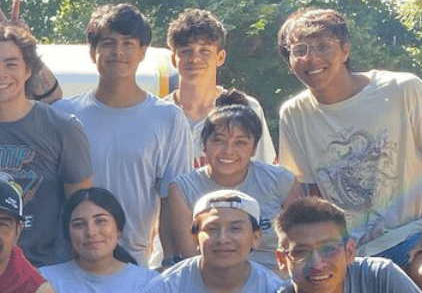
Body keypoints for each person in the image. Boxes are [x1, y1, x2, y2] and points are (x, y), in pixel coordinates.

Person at [274, 8, 422, 293]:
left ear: (345, 49)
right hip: (346, 247)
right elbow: (310, 192)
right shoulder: (294, 113)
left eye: (323, 46)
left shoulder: (403, 89)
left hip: (414, 232)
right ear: (290, 60)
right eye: (299, 50)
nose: (311, 58)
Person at [52, 3, 194, 265]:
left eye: (128, 43)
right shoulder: (63, 116)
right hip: (70, 263)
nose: (118, 52)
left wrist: (172, 263)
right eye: (108, 43)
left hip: (136, 264)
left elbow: (172, 201)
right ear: (93, 51)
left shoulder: (168, 119)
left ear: (142, 52)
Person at [0, 23, 94, 267]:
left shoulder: (63, 128)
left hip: (43, 269)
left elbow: (80, 208)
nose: (0, 74)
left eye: (11, 64)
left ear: (28, 70)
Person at [162, 91, 297, 270]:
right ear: (204, 145)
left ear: (255, 147)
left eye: (240, 143)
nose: (228, 150)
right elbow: (191, 257)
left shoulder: (282, 181)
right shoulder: (182, 188)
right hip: (211, 281)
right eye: (219, 140)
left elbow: (300, 245)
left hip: (275, 280)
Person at [160, 9, 273, 165]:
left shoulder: (245, 108)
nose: (194, 58)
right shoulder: (159, 114)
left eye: (205, 51)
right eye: (186, 51)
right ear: (174, 59)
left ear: (220, 57)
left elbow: (265, 174)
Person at [145, 190, 285, 293]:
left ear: (255, 238)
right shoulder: (166, 288)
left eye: (235, 228)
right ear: (195, 237)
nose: (223, 239)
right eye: (212, 229)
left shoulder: (273, 289)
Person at [274, 198, 422, 293]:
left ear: (350, 251)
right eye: (301, 252)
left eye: (329, 249)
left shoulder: (381, 277)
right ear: (282, 259)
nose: (317, 264)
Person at [39, 188, 157, 293]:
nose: (91, 232)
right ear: (68, 234)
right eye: (79, 224)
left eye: (100, 221)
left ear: (118, 229)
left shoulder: (148, 283)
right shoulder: (44, 280)